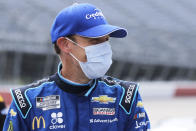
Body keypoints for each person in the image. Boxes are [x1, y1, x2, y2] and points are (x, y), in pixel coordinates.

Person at [3, 3, 150, 131]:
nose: (104, 47)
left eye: (106, 40)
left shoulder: (125, 97)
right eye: (94, 40)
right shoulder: (26, 101)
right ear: (65, 44)